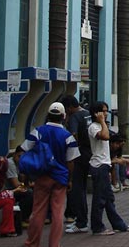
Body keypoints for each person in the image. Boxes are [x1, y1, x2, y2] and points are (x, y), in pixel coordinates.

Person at [23, 102, 81, 247]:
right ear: (63, 117)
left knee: (38, 211)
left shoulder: (38, 131)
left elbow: (25, 150)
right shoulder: (68, 136)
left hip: (42, 175)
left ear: (48, 115)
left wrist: (28, 173)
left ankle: (32, 242)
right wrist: (69, 179)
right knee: (58, 212)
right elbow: (71, 161)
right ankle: (54, 244)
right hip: (60, 177)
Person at [88, 101, 129, 236]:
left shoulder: (102, 126)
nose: (106, 114)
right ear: (96, 113)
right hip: (99, 165)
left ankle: (119, 224)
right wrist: (102, 121)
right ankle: (97, 227)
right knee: (100, 199)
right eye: (103, 111)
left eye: (106, 111)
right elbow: (105, 137)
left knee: (108, 199)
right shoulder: (93, 127)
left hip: (104, 165)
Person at [62, 95, 92, 233]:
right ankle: (82, 220)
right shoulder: (86, 114)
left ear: (69, 108)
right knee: (82, 188)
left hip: (78, 156)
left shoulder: (74, 117)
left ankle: (81, 222)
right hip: (89, 154)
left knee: (77, 189)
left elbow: (73, 135)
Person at [6, 146, 33, 230]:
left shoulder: (21, 164)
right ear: (14, 155)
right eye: (19, 156)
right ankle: (22, 218)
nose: (21, 159)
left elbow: (23, 180)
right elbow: (16, 184)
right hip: (8, 190)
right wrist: (29, 185)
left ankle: (28, 216)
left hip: (16, 188)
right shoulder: (10, 163)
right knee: (28, 193)